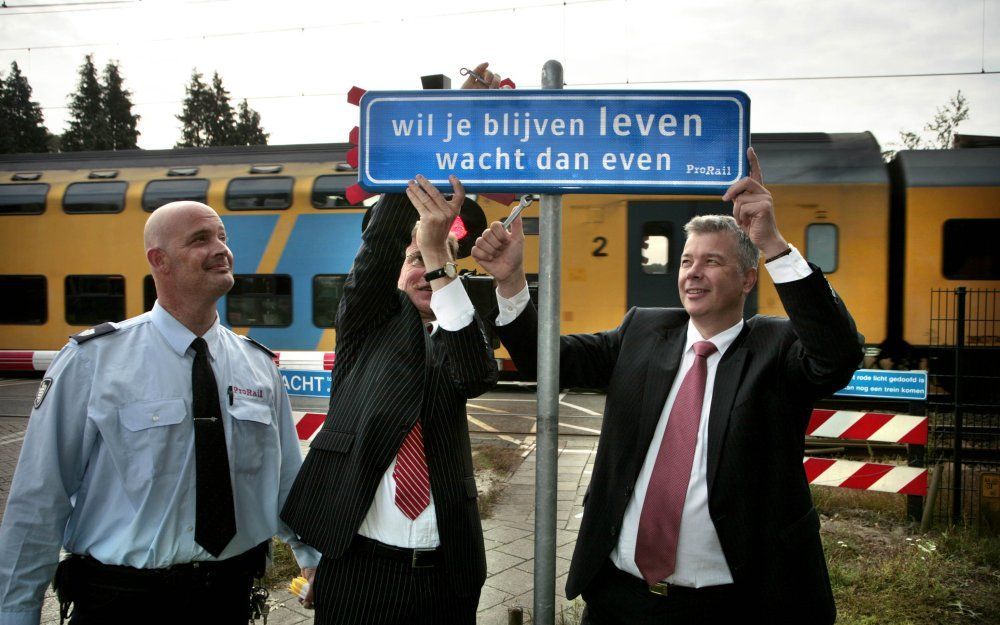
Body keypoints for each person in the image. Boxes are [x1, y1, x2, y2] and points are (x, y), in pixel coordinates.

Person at [473, 148, 862, 625]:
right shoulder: (643, 331)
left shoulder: (776, 348)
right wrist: (511, 282)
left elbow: (838, 356)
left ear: (747, 278)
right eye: (685, 260)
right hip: (621, 598)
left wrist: (773, 242)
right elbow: (545, 361)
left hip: (734, 605)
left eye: (712, 261)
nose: (693, 272)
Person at [0, 201, 319, 625]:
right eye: (201, 239)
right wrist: (17, 612)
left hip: (228, 598)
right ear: (159, 260)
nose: (221, 249)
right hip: (121, 602)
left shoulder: (258, 365)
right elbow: (40, 497)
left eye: (222, 237)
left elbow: (286, 480)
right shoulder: (93, 361)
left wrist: (311, 558)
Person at [279, 170, 499, 625]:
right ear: (396, 272)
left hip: (447, 574)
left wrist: (438, 251)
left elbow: (474, 374)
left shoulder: (461, 333)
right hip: (359, 570)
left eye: (440, 263)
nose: (427, 271)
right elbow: (376, 256)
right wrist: (411, 163)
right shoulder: (365, 330)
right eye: (414, 259)